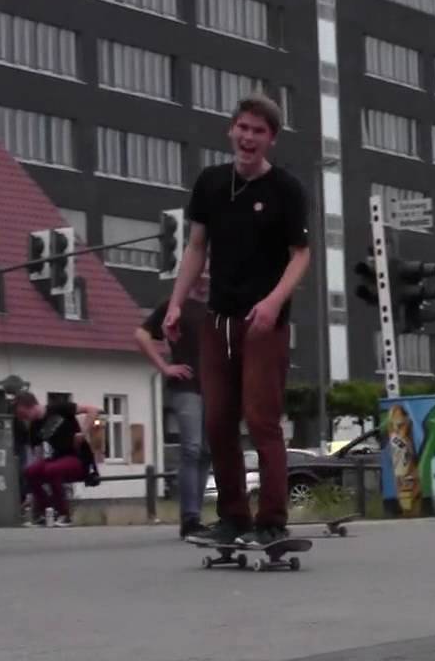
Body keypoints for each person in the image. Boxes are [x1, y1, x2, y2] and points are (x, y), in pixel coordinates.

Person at [163, 93, 310, 548]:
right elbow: (196, 248)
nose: (248, 138)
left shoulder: (286, 190)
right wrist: (174, 303)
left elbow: (301, 255)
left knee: (261, 418)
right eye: (242, 128)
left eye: (258, 131)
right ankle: (232, 517)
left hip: (263, 322)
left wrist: (273, 302)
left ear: (271, 140)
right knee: (218, 421)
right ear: (231, 130)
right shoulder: (210, 183)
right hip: (219, 319)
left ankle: (271, 519)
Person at [136, 262, 211, 539]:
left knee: (206, 452)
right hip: (186, 386)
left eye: (208, 273)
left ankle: (197, 516)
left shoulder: (217, 307)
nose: (203, 279)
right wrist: (165, 367)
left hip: (213, 388)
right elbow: (141, 335)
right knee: (191, 448)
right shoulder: (175, 305)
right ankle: (189, 518)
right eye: (199, 273)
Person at [14, 393, 103, 527]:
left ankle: (65, 515)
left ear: (31, 407)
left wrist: (83, 433)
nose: (24, 419)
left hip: (79, 459)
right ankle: (45, 513)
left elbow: (93, 410)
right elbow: (38, 456)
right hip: (58, 459)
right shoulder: (34, 427)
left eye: (24, 415)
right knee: (30, 471)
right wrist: (32, 491)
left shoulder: (59, 408)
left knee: (51, 469)